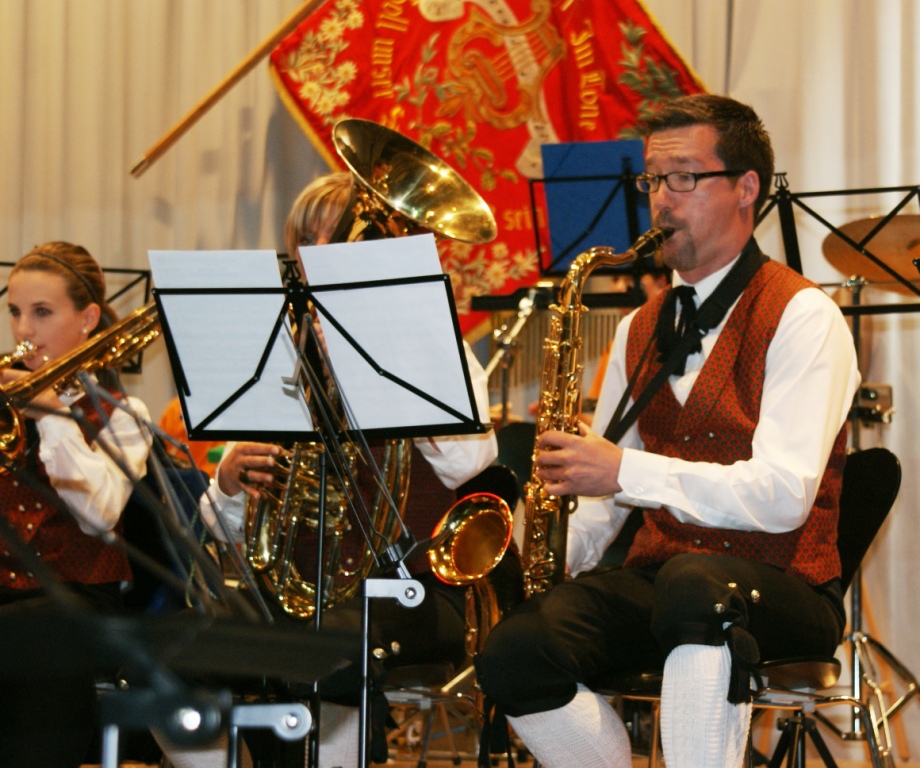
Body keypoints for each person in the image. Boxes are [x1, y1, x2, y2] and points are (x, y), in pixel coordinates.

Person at [475, 94, 860, 768]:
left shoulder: (804, 316)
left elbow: (783, 496)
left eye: (684, 177)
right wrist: (543, 556)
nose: (661, 200)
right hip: (666, 581)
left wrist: (623, 471)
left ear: (746, 188)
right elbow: (603, 493)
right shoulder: (637, 328)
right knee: (514, 650)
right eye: (653, 180)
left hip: (786, 587)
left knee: (693, 587)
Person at [163, 172, 503, 768]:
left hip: (413, 586)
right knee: (167, 655)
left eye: (340, 239)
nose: (320, 253)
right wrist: (230, 481)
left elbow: (471, 461)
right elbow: (223, 528)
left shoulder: (425, 339)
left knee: (326, 647)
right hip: (300, 588)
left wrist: (377, 367)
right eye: (308, 240)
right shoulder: (279, 351)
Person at [0, 241, 151, 767]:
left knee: (42, 638)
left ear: (88, 319)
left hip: (79, 597)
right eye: (15, 312)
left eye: (42, 312)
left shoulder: (124, 413)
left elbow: (98, 515)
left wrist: (52, 417)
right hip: (8, 598)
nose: (23, 330)